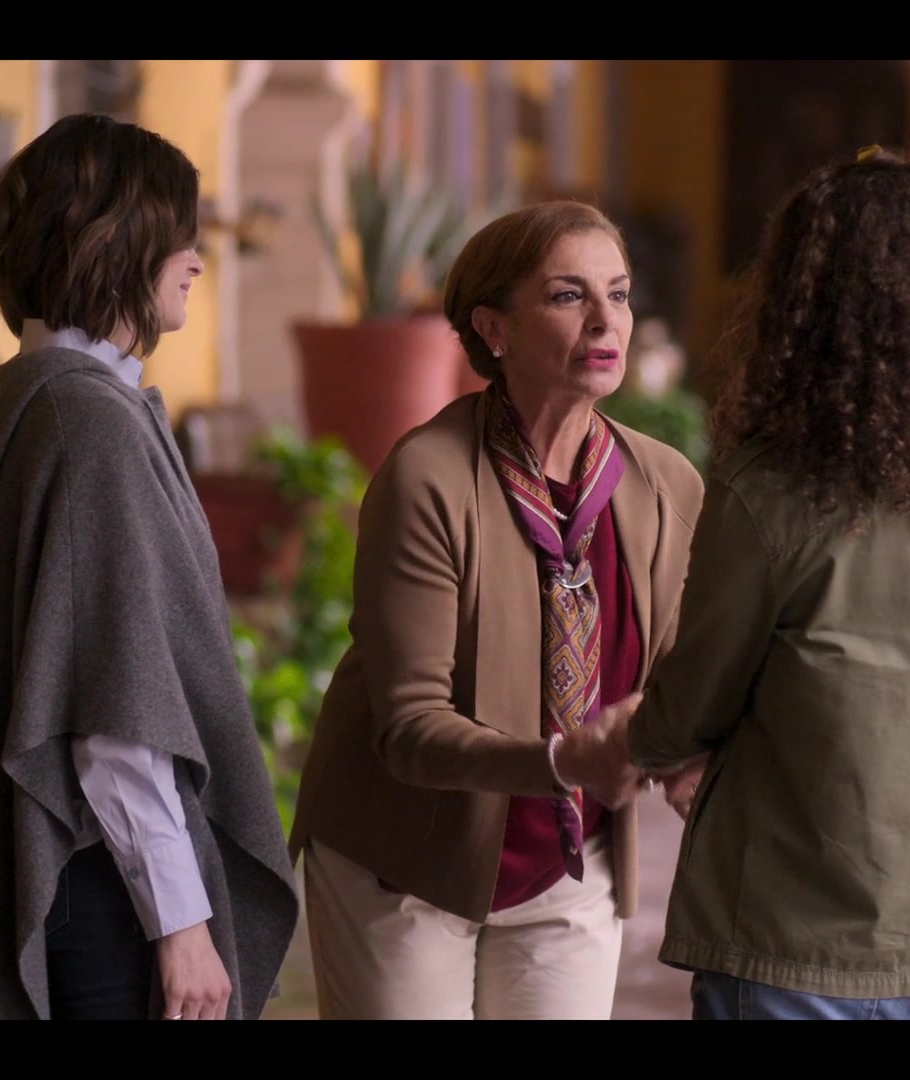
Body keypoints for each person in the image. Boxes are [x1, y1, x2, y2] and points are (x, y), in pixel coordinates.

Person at [572, 146, 910, 1020]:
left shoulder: (771, 491)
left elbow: (695, 702)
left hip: (796, 944)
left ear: (802, 310)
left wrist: (635, 740)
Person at [0, 112, 299, 1021]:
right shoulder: (88, 426)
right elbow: (112, 713)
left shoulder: (53, 403)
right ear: (118, 243)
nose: (196, 260)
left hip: (91, 869)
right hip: (108, 880)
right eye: (178, 235)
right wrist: (181, 924)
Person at [287, 200, 705, 1020]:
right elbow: (409, 727)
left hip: (569, 863)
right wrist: (564, 762)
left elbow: (673, 680)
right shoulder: (428, 478)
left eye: (618, 294)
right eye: (567, 295)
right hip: (405, 863)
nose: (604, 320)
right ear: (494, 328)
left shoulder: (666, 486)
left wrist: (683, 755)